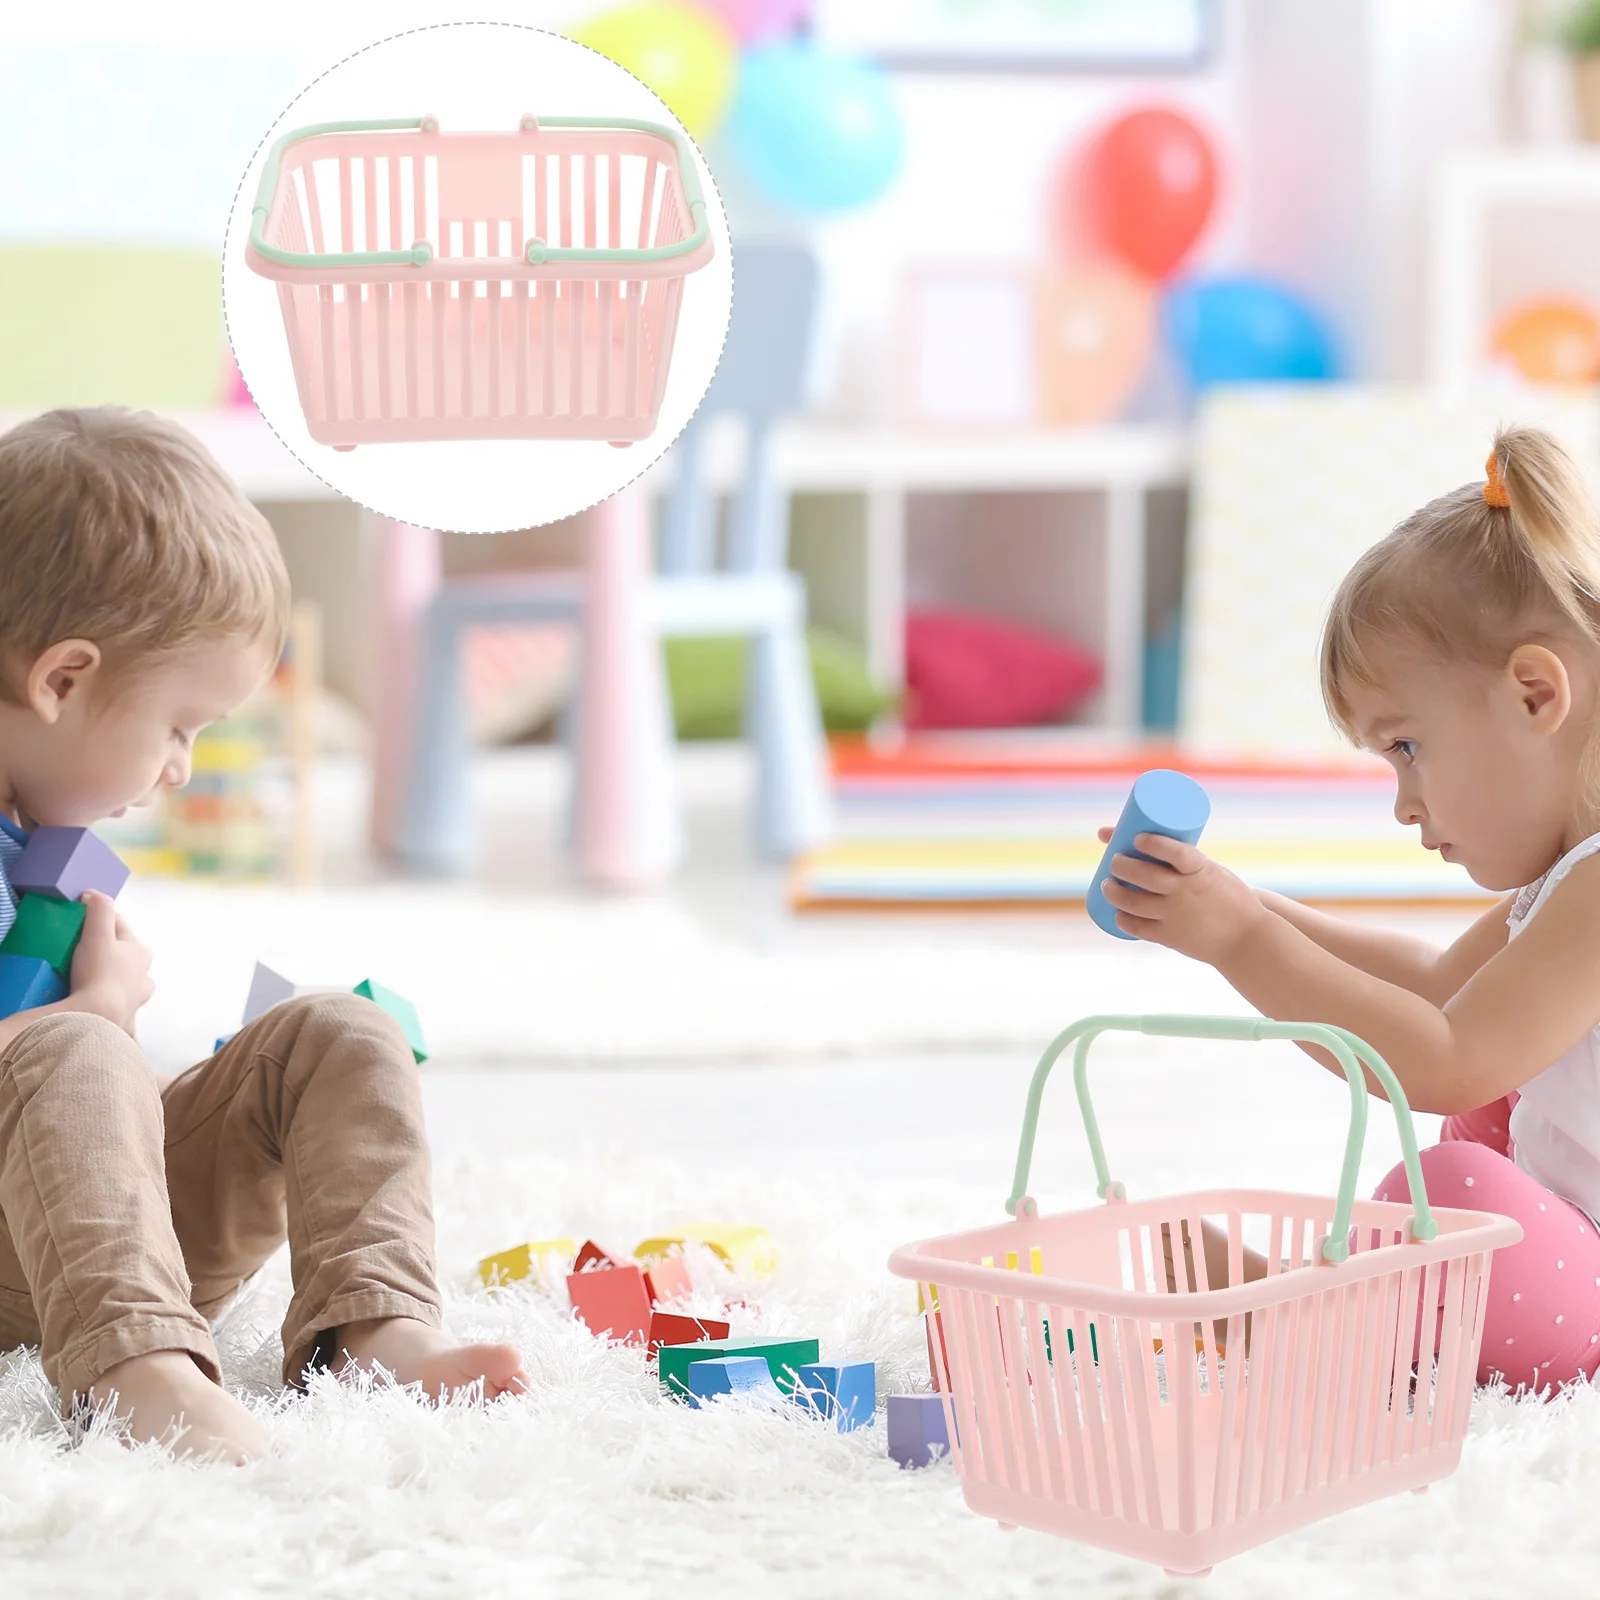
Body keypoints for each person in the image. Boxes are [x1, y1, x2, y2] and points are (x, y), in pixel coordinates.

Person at [0, 407, 528, 1465]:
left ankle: (372, 1330)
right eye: (179, 727)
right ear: (62, 680)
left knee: (340, 1030)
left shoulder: (35, 845)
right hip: (35, 1268)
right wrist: (92, 1019)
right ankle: (137, 1379)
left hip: (92, 1234)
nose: (181, 768)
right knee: (83, 1045)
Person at [1101, 425, 1600, 1391]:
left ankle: (1314, 1323)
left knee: (1458, 1188)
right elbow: (1432, 985)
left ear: (1536, 695)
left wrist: (1241, 943)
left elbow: (1444, 1060)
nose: (1403, 802)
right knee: (1476, 1153)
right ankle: (1334, 1301)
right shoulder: (1566, 877)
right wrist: (1242, 907)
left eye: (1406, 747)